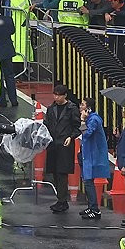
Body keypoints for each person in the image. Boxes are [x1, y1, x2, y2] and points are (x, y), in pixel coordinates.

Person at [43, 85, 80, 213]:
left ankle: (62, 200)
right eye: (55, 95)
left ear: (65, 95)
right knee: (54, 172)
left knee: (62, 173)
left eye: (59, 95)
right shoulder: (51, 109)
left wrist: (71, 137)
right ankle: (60, 199)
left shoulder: (72, 109)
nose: (56, 97)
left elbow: (77, 127)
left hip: (64, 144)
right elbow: (46, 124)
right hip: (53, 144)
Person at [78, 97, 109, 219]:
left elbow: (86, 134)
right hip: (87, 153)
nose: (80, 107)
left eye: (83, 105)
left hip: (92, 155)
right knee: (87, 181)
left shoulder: (94, 120)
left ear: (88, 108)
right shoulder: (90, 119)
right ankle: (91, 206)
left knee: (89, 181)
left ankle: (95, 209)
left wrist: (82, 121)